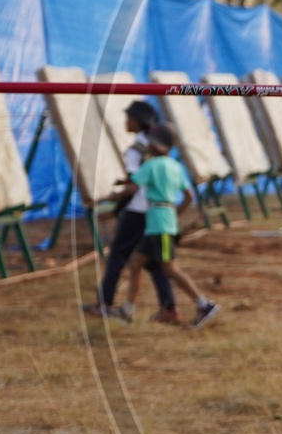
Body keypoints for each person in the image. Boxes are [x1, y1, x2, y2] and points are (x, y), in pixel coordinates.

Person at [115, 124, 219, 330]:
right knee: (135, 263)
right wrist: (173, 213)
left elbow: (131, 189)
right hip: (161, 223)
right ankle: (127, 310)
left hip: (159, 225)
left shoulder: (151, 165)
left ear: (157, 146)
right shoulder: (175, 166)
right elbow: (189, 196)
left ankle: (204, 304)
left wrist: (105, 198)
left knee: (170, 268)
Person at [83, 101, 179, 323]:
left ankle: (104, 303)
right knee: (154, 261)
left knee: (117, 255)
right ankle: (168, 307)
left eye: (129, 118)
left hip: (137, 210)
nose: (126, 122)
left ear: (138, 121)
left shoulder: (136, 150)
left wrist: (115, 211)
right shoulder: (156, 145)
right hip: (155, 211)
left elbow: (133, 188)